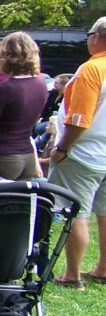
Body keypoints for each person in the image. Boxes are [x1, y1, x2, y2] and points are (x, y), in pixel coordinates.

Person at [47, 16, 106, 288]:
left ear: (96, 37)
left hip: (83, 153)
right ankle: (103, 268)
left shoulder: (91, 69)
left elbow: (79, 118)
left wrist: (62, 148)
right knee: (104, 213)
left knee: (76, 212)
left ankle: (72, 274)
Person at [0, 32, 47, 180]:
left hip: (0, 155)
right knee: (18, 201)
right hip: (27, 155)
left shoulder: (4, 89)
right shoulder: (41, 84)